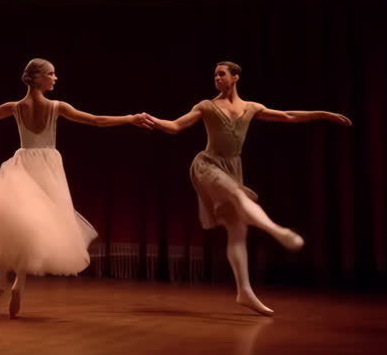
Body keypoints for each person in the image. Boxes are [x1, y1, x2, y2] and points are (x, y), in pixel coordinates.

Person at [0, 58, 146, 317]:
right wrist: (130, 118)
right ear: (37, 78)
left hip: (22, 164)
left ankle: (2, 281)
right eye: (51, 74)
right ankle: (18, 284)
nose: (55, 78)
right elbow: (96, 120)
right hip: (47, 168)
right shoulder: (56, 107)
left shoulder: (16, 107)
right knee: (34, 226)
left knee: (16, 224)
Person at [141, 61, 351, 315]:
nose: (217, 78)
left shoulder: (251, 108)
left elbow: (287, 116)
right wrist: (153, 120)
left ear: (235, 77)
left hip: (233, 169)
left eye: (222, 74)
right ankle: (279, 232)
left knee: (237, 229)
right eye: (215, 75)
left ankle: (244, 291)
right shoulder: (206, 106)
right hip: (208, 165)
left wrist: (323, 114)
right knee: (237, 195)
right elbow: (176, 126)